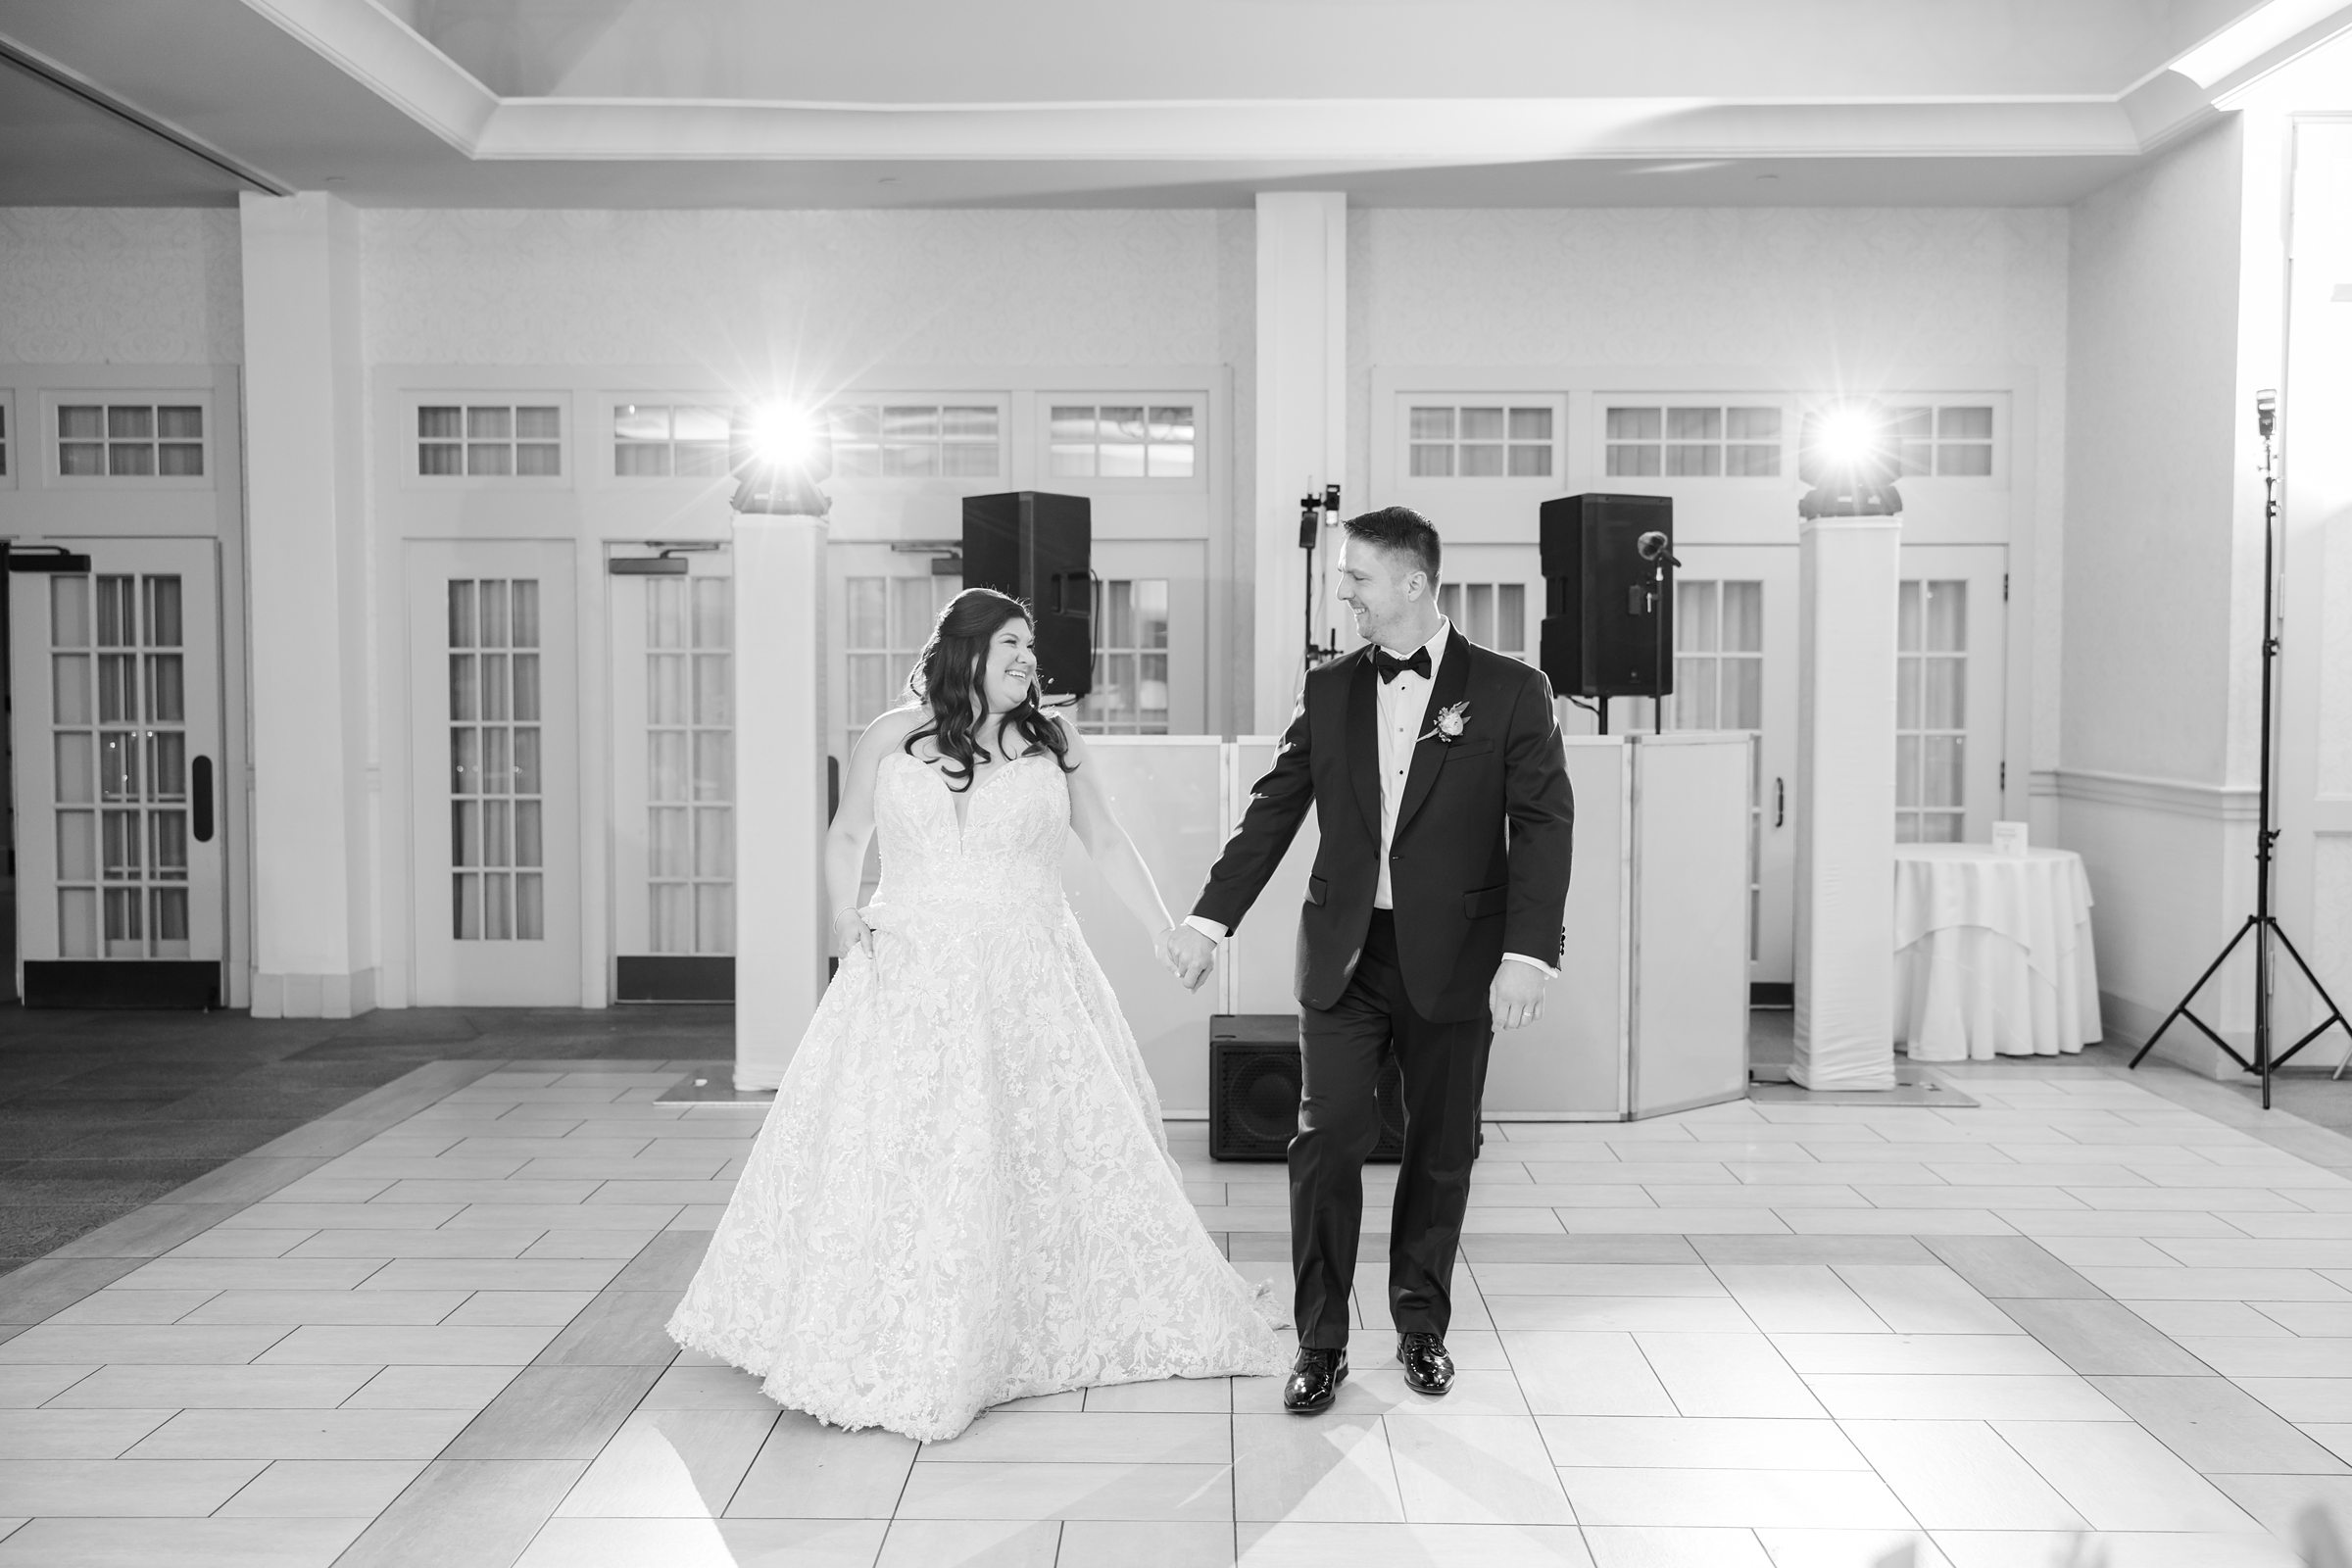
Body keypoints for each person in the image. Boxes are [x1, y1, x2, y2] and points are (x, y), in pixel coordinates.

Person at [668, 587, 1284, 1442]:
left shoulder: (1055, 739)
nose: (1029, 661)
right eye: (1011, 646)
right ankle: (880, 1318)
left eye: (1031, 647)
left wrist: (1167, 930)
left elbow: (1105, 840)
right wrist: (843, 917)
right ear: (964, 653)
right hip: (907, 964)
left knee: (1024, 1145)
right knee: (895, 1146)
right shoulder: (890, 735)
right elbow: (847, 835)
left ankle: (1015, 1320)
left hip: (1025, 969)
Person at [1163, 506, 1574, 1415]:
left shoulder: (1512, 690)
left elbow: (1544, 825)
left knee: (1441, 1147)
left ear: (1414, 584)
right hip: (1344, 956)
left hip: (1460, 956)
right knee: (1328, 1138)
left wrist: (1529, 955)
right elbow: (1274, 810)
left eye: (1356, 576)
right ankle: (1320, 1339)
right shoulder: (1331, 688)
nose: (1342, 589)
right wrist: (1208, 919)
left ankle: (1421, 1325)